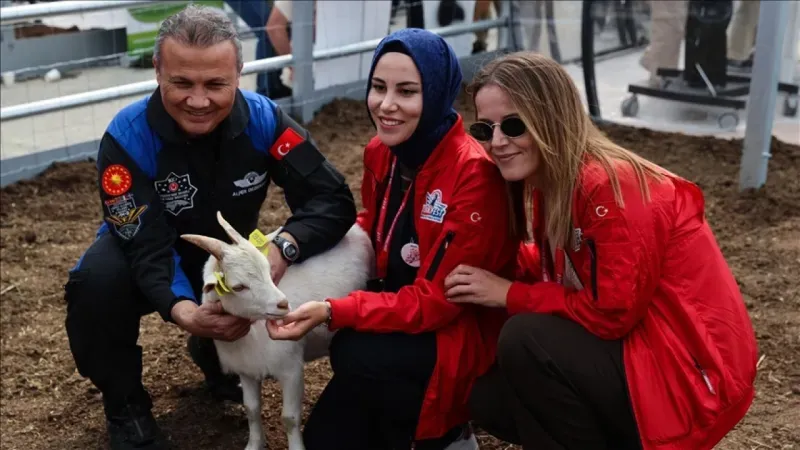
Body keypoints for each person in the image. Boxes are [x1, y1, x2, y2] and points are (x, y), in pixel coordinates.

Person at [62, 5, 356, 449]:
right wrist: (185, 312)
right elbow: (145, 244)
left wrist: (284, 250)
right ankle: (125, 406)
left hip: (231, 259)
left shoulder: (265, 120)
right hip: (150, 250)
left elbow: (331, 199)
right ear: (157, 69)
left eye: (216, 84)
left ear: (239, 72)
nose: (198, 101)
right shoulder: (126, 136)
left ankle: (216, 357)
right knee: (94, 285)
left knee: (269, 272)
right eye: (181, 82)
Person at [443, 51, 758, 450]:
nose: (498, 142)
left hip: (691, 378)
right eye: (485, 130)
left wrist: (507, 292)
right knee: (489, 397)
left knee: (525, 339)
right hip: (647, 353)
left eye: (514, 125)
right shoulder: (557, 180)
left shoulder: (611, 186)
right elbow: (562, 271)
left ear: (551, 119)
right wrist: (487, 260)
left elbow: (611, 313)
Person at [266, 28, 518, 450]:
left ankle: (449, 434)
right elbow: (373, 225)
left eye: (407, 91)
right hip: (400, 310)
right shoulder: (381, 152)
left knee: (356, 350)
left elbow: (440, 303)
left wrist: (335, 308)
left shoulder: (474, 175)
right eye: (378, 88)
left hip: (458, 330)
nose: (386, 105)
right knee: (325, 433)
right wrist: (290, 247)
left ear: (436, 93)